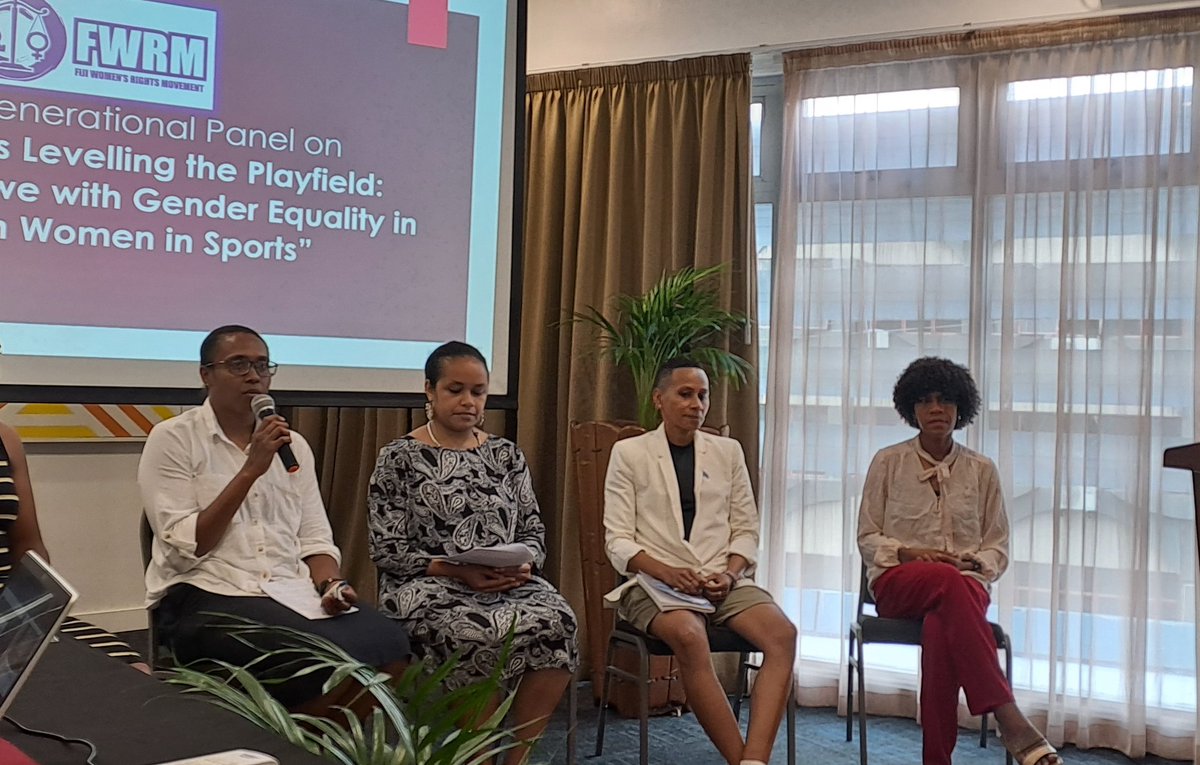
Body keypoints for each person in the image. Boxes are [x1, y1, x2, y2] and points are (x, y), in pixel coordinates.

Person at [139, 324, 410, 713]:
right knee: (317, 657)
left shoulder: (292, 445)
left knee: (389, 645)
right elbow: (191, 542)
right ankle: (295, 744)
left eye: (263, 366)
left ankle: (314, 742)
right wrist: (251, 468)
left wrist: (330, 583)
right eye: (238, 365)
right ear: (205, 375)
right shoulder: (172, 439)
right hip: (205, 594)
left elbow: (314, 536)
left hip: (289, 589)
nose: (254, 375)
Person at [368, 341, 578, 765]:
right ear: (430, 390)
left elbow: (533, 530)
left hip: (506, 583)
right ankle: (475, 755)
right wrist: (455, 570)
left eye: (478, 392)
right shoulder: (399, 458)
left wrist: (524, 565)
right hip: (428, 584)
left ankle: (517, 758)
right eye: (455, 389)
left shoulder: (505, 455)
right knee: (478, 633)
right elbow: (386, 549)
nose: (468, 401)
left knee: (560, 621)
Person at [857, 356, 1063, 765]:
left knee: (941, 627)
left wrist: (972, 563)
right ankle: (1009, 717)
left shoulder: (982, 469)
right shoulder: (887, 461)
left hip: (964, 588)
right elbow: (867, 537)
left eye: (947, 401)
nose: (937, 409)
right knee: (947, 583)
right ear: (911, 409)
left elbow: (997, 547)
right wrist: (911, 553)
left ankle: (937, 759)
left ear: (961, 408)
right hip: (899, 583)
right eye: (927, 401)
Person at [603, 359, 797, 765]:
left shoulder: (728, 452)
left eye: (703, 395)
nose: (696, 404)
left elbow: (746, 531)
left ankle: (754, 760)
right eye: (685, 394)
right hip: (652, 584)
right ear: (659, 399)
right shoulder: (629, 453)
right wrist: (666, 571)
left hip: (720, 579)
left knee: (783, 635)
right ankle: (737, 758)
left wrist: (730, 573)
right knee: (691, 637)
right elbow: (617, 540)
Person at [0, 423, 148, 671]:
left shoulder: (5, 439)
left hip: (10, 615)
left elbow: (28, 545)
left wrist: (33, 619)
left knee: (134, 671)